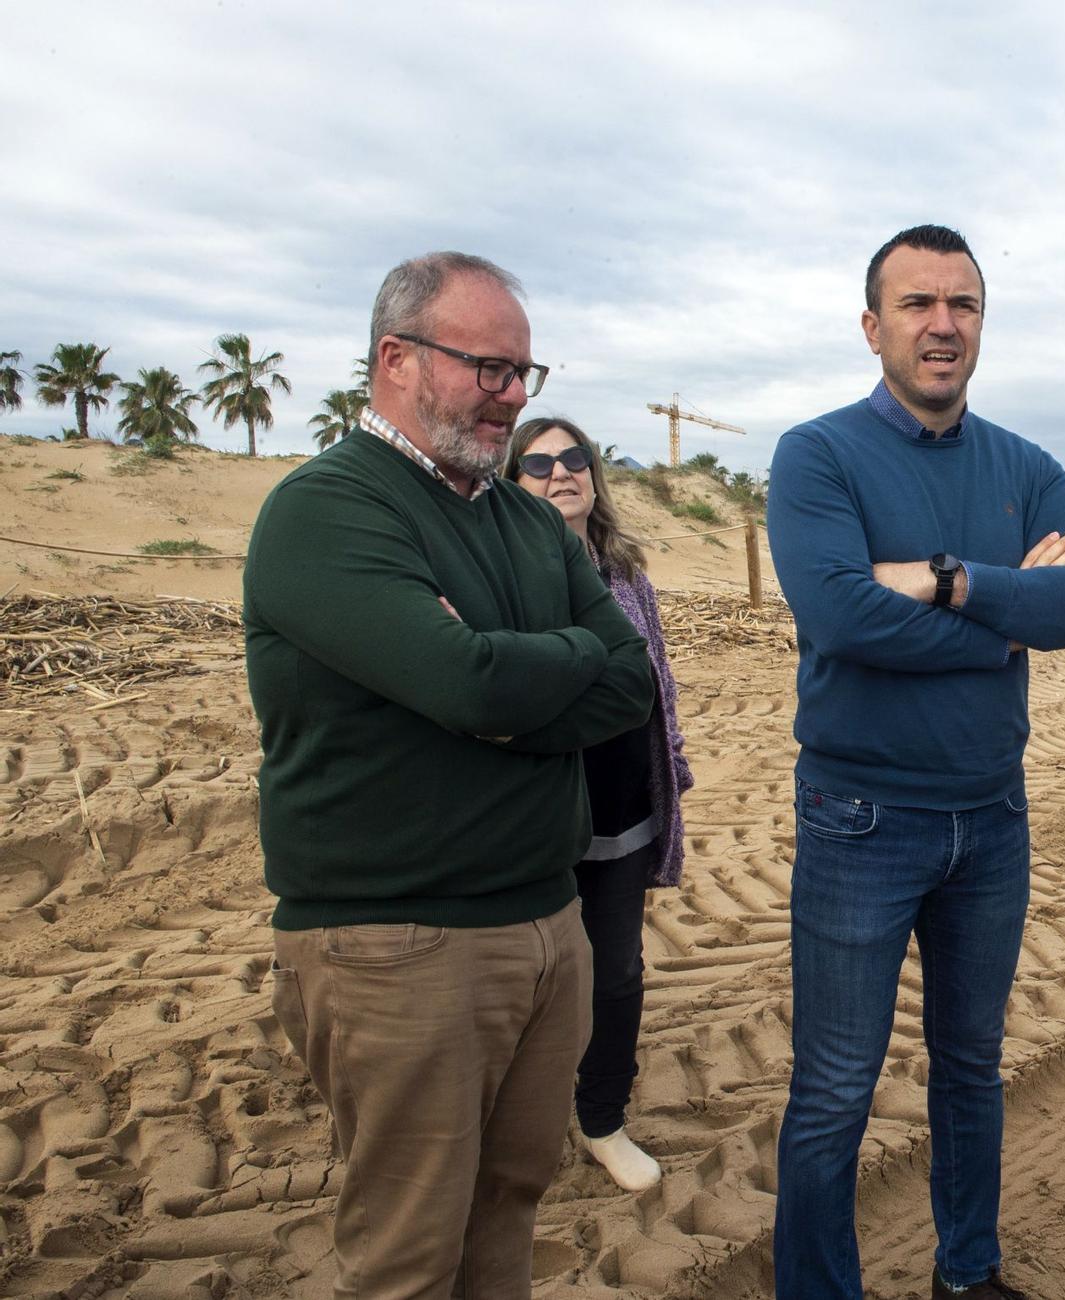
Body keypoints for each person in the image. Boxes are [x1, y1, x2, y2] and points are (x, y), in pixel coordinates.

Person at [244, 252, 656, 1299]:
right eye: (488, 366)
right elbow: (466, 682)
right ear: (395, 358)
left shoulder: (522, 517)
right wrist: (512, 672)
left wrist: (502, 673)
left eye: (525, 371)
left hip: (546, 922)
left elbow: (627, 686)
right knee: (408, 1253)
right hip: (399, 943)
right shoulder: (325, 509)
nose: (512, 396)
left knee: (510, 1203)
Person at [766, 223, 1065, 1300]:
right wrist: (1013, 615)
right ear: (873, 327)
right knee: (833, 1088)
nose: (942, 325)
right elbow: (840, 615)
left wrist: (949, 579)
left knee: (971, 1067)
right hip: (858, 818)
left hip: (990, 818)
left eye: (961, 304)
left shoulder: (1025, 464)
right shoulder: (816, 454)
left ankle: (967, 1272)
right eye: (917, 304)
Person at [504, 415, 695, 1193]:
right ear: (510, 482)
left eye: (573, 458)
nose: (560, 472)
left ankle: (602, 1118)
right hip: (533, 815)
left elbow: (658, 682)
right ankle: (516, 1118)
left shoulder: (625, 569)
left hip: (622, 807)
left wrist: (670, 764)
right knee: (522, 973)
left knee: (615, 972)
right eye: (538, 462)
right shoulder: (501, 572)